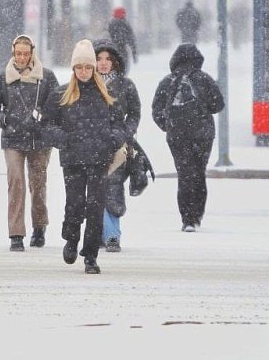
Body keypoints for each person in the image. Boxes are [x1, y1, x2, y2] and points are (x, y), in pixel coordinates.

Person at [42, 39, 126, 274]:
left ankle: (91, 255)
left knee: (96, 207)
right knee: (75, 205)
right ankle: (71, 238)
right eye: (79, 67)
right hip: (73, 159)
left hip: (99, 158)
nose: (84, 72)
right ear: (73, 69)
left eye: (88, 67)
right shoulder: (61, 94)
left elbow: (121, 125)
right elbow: (46, 125)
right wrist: (63, 138)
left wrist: (112, 139)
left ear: (93, 68)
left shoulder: (106, 95)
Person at [0, 34, 59, 252]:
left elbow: (56, 104)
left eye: (26, 53)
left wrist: (41, 117)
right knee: (15, 182)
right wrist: (4, 120)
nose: (22, 58)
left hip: (39, 138)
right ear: (13, 53)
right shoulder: (2, 78)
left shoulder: (47, 77)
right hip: (13, 138)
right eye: (19, 53)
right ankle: (16, 233)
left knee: (38, 183)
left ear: (33, 53)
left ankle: (39, 226)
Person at [151, 44, 225, 232]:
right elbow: (218, 105)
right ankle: (197, 214)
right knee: (199, 172)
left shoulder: (167, 81)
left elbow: (156, 109)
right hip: (203, 134)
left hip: (177, 135)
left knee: (184, 174)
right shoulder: (205, 79)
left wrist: (167, 125)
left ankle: (187, 218)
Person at [94, 39, 140, 253]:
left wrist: (126, 132)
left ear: (115, 62)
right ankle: (99, 232)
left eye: (108, 59)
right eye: (99, 59)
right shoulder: (86, 83)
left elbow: (135, 112)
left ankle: (112, 235)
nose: (103, 63)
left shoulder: (125, 85)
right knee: (94, 188)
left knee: (113, 186)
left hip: (118, 144)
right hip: (92, 142)